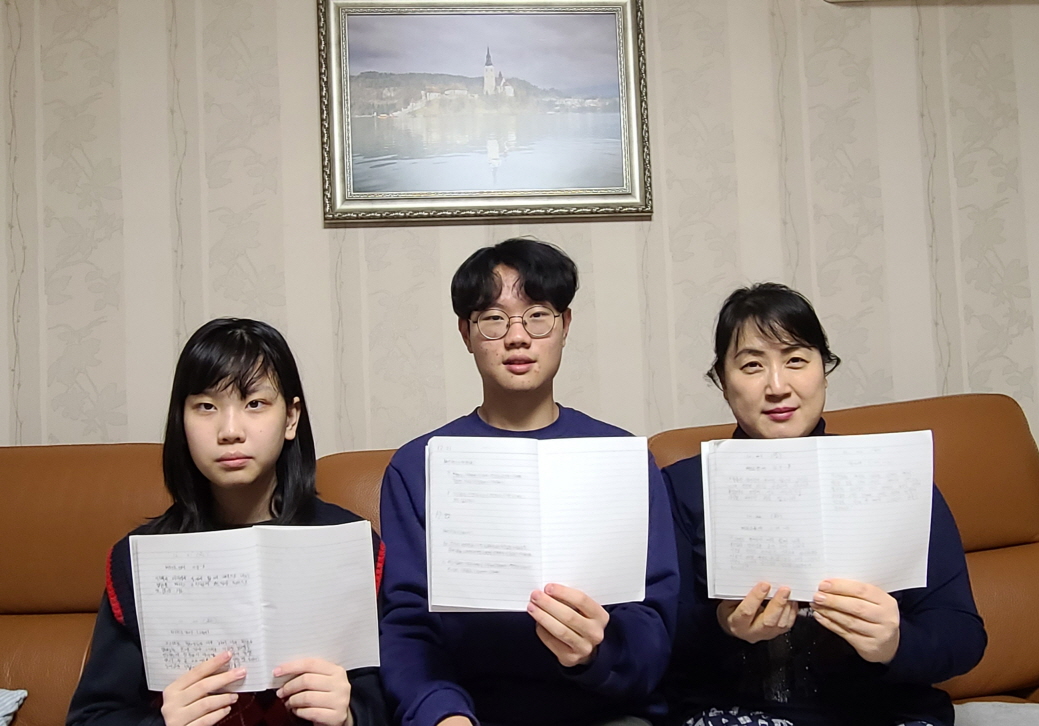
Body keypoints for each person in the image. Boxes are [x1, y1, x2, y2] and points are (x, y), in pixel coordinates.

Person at [378, 238, 679, 726]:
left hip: (607, 710)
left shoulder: (619, 457)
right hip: (468, 713)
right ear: (466, 333)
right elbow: (407, 627)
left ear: (565, 325)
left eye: (537, 316)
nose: (517, 337)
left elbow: (653, 615)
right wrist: (441, 712)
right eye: (494, 319)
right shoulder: (418, 466)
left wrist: (597, 653)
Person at [661, 283, 986, 726]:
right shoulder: (682, 487)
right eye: (752, 365)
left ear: (824, 370)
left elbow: (963, 635)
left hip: (884, 712)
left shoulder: (892, 477)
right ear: (722, 380)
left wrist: (894, 643)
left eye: (796, 360)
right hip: (738, 714)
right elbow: (654, 637)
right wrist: (723, 625)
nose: (778, 386)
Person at [67, 318, 387, 726]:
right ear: (181, 421)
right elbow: (92, 717)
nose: (230, 431)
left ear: (291, 418)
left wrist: (351, 716)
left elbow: (399, 700)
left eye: (254, 404)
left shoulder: (349, 547)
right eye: (206, 407)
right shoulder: (141, 559)